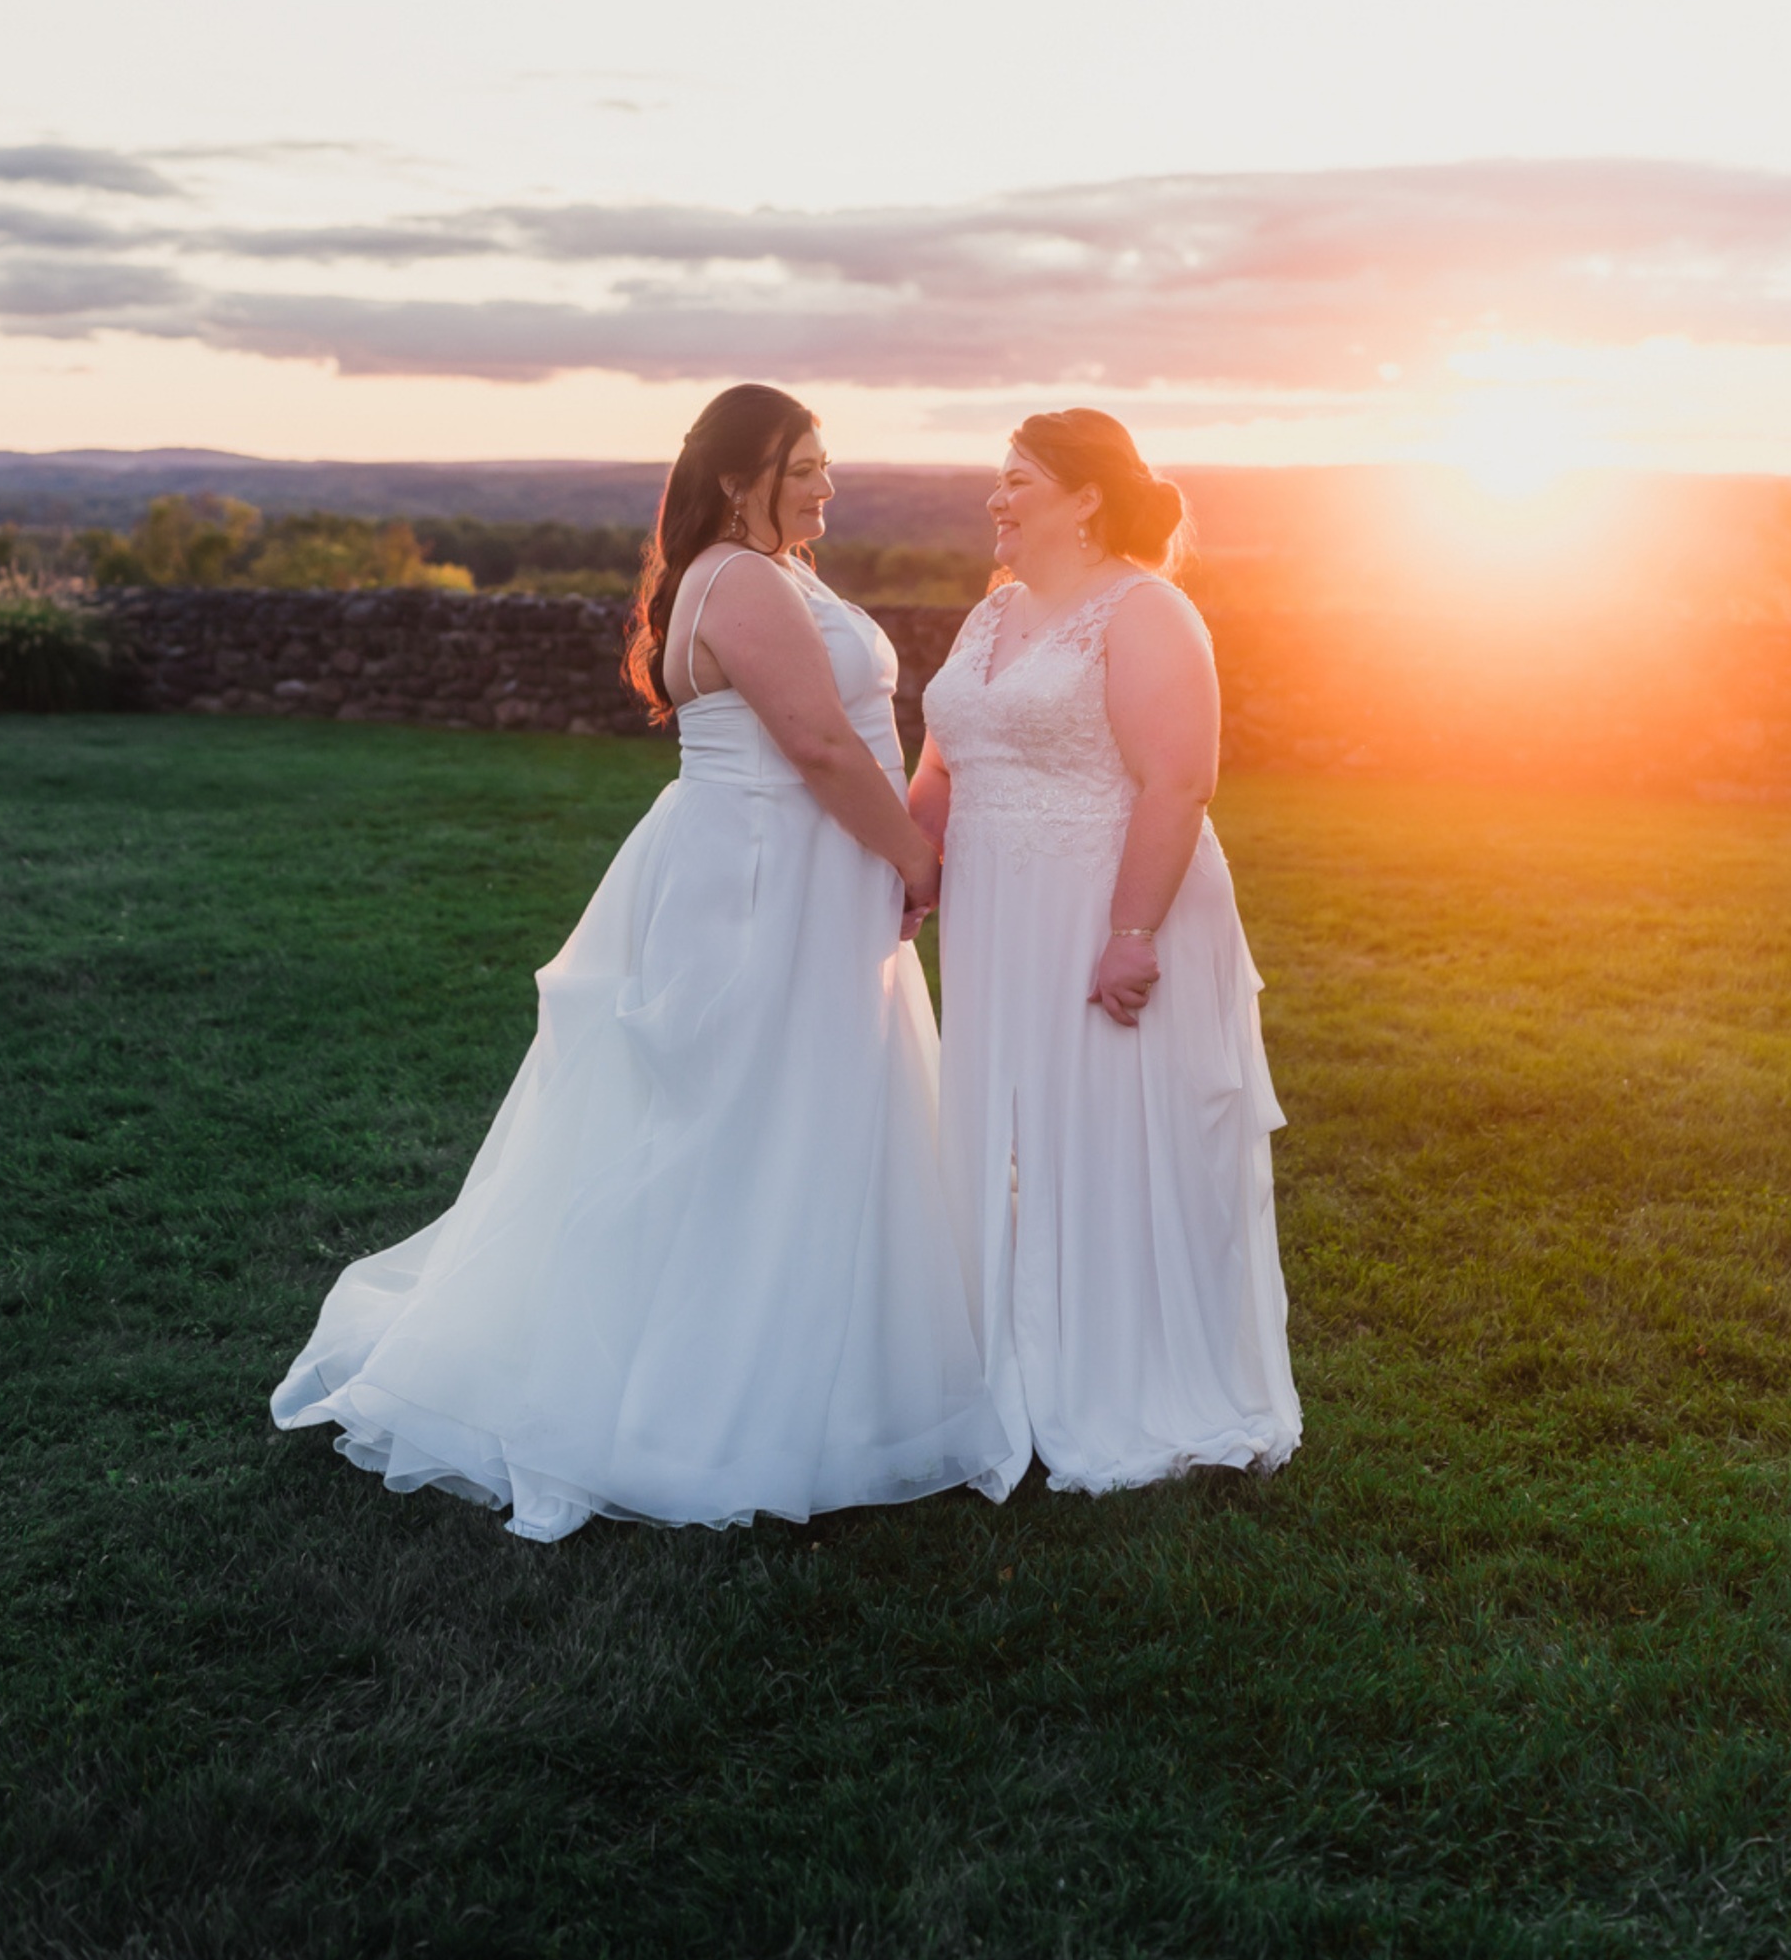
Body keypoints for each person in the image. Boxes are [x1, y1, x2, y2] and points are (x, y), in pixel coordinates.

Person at [273, 383, 1015, 1538]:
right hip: (765, 878)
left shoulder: (776, 573)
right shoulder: (740, 580)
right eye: (805, 464)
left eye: (829, 462)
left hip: (803, 870)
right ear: (737, 476)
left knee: (798, 1117)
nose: (829, 482)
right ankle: (693, 1397)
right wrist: (914, 862)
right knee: (741, 1118)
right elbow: (819, 744)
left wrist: (880, 861)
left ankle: (817, 1362)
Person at [912, 407, 1300, 1496]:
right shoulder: (991, 618)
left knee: (1111, 1127)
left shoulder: (1148, 610)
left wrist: (1130, 933)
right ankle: (1012, 1364)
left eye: (1018, 479)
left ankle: (1127, 1374)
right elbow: (943, 768)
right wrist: (905, 861)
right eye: (998, 478)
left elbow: (1180, 780)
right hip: (997, 913)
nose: (997, 498)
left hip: (1108, 902)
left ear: (1085, 498)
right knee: (1007, 1126)